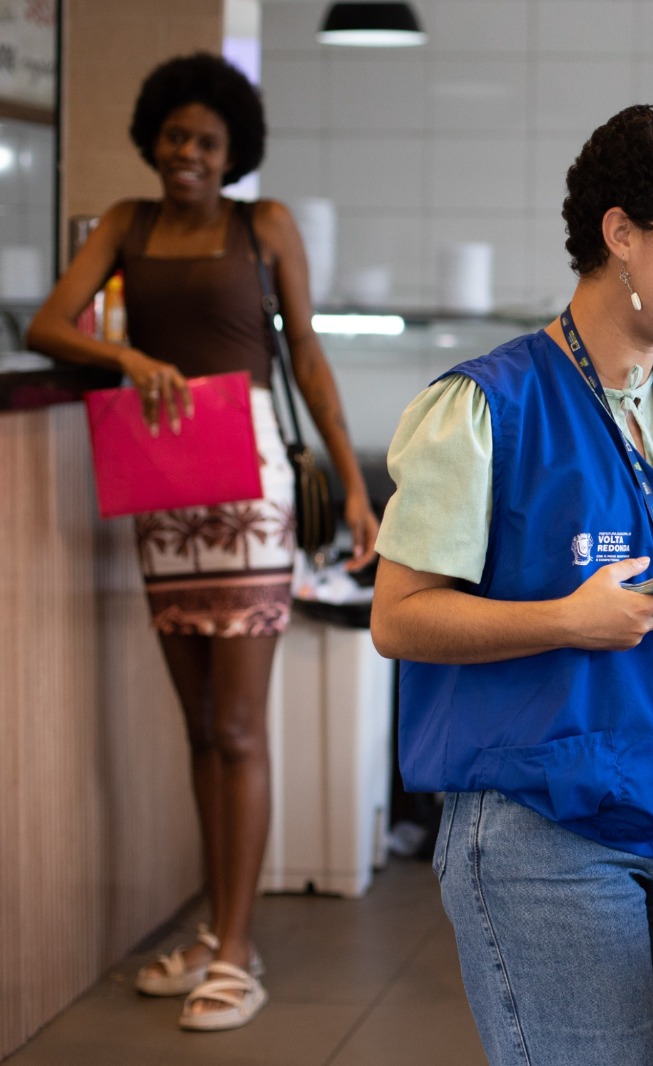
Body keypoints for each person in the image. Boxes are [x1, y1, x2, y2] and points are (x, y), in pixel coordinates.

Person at [368, 104, 653, 1066]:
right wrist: (568, 621)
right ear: (620, 232)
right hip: (548, 826)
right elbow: (399, 620)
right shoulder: (484, 405)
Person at [26, 52, 377, 1032]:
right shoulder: (124, 224)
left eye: (207, 140)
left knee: (237, 726)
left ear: (234, 153)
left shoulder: (263, 227)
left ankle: (233, 950)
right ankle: (227, 935)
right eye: (175, 135)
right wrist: (129, 353)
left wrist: (353, 485)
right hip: (162, 488)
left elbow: (305, 350)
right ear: (154, 138)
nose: (187, 151)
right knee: (198, 728)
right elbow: (52, 322)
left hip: (253, 485)